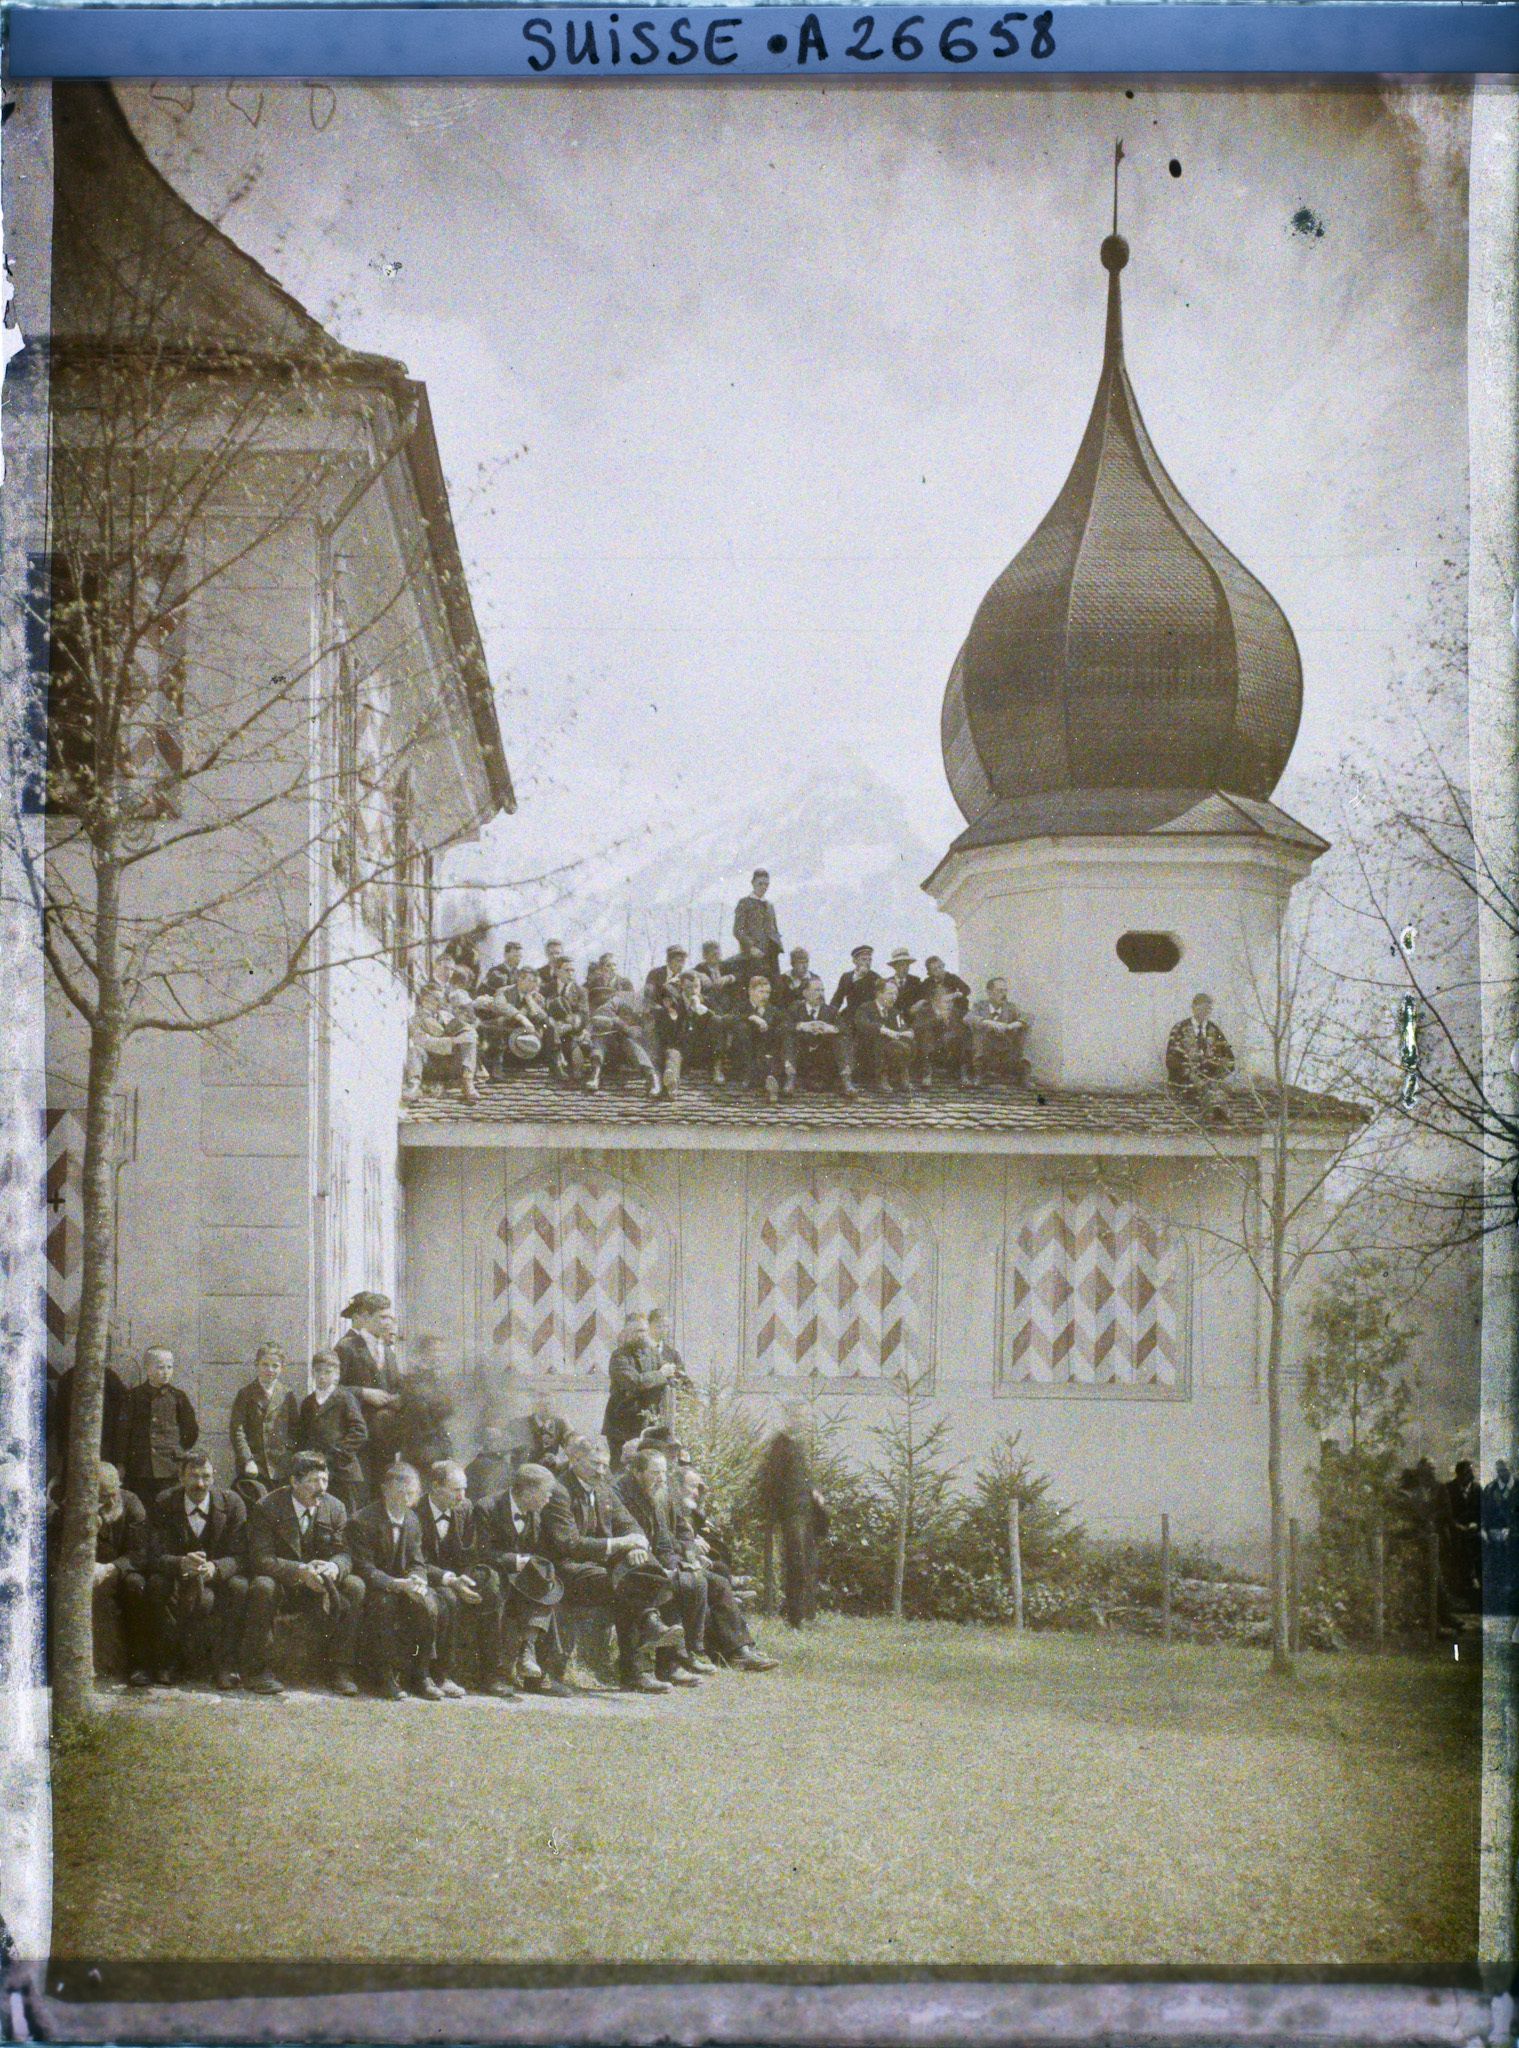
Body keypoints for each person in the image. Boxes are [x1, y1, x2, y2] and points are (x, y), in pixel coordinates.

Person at [540, 1434, 675, 1693]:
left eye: (604, 1464)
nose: (601, 1470)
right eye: (594, 1464)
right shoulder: (560, 1491)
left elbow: (630, 1524)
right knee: (627, 1586)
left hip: (601, 1567)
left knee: (636, 1574)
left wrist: (635, 1545)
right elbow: (569, 1544)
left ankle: (640, 1659)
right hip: (567, 1568)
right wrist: (619, 1545)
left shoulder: (603, 1488)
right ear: (574, 1459)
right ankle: (641, 1657)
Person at [243, 1450, 365, 1696]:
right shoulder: (267, 1507)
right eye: (312, 1481)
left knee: (354, 1585)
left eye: (324, 1480)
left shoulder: (336, 1507)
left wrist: (334, 1567)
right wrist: (300, 1571)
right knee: (262, 1586)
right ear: (294, 1482)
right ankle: (258, 1670)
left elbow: (345, 1552)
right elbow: (260, 1558)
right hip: (284, 1585)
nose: (321, 1488)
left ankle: (340, 1669)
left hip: (321, 1586)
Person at [146, 1450, 250, 1690]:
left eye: (206, 1476)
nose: (200, 1483)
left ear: (214, 1477)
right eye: (193, 1476)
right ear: (180, 1478)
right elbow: (153, 1554)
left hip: (216, 1578)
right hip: (178, 1576)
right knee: (155, 1584)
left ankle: (225, 1665)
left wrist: (216, 1567)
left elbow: (242, 1555)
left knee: (240, 1586)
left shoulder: (232, 1503)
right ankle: (168, 1661)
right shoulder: (165, 1502)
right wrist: (180, 1562)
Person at [348, 1461, 446, 1700]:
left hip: (404, 1584)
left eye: (411, 1493)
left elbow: (416, 1560)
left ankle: (421, 1674)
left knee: (429, 1602)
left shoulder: (412, 1520)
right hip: (376, 1586)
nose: (406, 1498)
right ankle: (383, 1675)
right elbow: (363, 1566)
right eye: (400, 1492)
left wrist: (417, 1580)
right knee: (384, 1606)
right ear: (385, 1490)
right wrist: (393, 1583)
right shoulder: (363, 1520)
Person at [615, 1443, 710, 1682]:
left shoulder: (661, 1494)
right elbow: (627, 1530)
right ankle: (647, 1668)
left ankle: (678, 1658)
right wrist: (664, 1569)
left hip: (653, 1559)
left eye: (664, 1472)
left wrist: (680, 1561)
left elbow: (667, 1539)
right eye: (655, 1473)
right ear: (637, 1473)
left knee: (691, 1580)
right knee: (663, 1584)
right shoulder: (620, 1492)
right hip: (627, 1559)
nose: (661, 1478)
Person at [417, 1460, 508, 1696]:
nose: (462, 1495)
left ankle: (490, 1674)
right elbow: (414, 1561)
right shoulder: (415, 1510)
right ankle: (438, 1674)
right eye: (456, 1489)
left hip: (455, 1575)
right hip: (424, 1576)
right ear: (435, 1486)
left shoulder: (464, 1508)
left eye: (464, 1488)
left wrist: (465, 1580)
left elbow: (470, 1553)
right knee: (446, 1597)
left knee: (490, 1584)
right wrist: (450, 1580)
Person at [674, 1464, 777, 1672]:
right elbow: (665, 1541)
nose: (696, 1492)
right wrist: (690, 1553)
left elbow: (690, 1533)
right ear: (675, 1486)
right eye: (692, 1487)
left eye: (698, 1488)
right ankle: (738, 1651)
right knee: (718, 1584)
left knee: (718, 1574)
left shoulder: (684, 1508)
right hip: (671, 1564)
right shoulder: (669, 1505)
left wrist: (693, 1551)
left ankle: (740, 1649)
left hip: (684, 1561)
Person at [480, 1462, 568, 1694]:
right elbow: (480, 1552)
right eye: (546, 1493)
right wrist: (514, 1561)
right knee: (498, 1594)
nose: (549, 1499)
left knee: (549, 1587)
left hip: (521, 1577)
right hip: (493, 1572)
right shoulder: (488, 1507)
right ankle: (494, 1675)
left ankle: (535, 1671)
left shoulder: (535, 1513)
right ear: (528, 1491)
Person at [64, 1461, 153, 1687]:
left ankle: (139, 1665)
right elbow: (63, 1550)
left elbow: (141, 1553)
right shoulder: (76, 1505)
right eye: (103, 1496)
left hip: (122, 1571)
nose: (111, 1501)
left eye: (113, 1493)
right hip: (87, 1573)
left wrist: (110, 1568)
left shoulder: (132, 1503)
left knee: (137, 1586)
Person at [757, 1404, 821, 1629]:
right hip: (791, 1515)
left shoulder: (798, 1445)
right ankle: (794, 1619)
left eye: (804, 1417)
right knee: (796, 1565)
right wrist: (774, 1514)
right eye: (798, 1417)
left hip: (806, 1513)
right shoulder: (780, 1445)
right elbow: (771, 1482)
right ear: (789, 1418)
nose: (802, 1422)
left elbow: (804, 1477)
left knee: (807, 1564)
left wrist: (814, 1491)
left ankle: (806, 1615)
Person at [335, 1291, 402, 1484]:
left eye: (390, 1317)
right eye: (382, 1317)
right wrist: (363, 1393)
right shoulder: (347, 1347)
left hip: (385, 1439)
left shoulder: (388, 1352)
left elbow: (395, 1385)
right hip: (359, 1440)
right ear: (366, 1317)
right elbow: (333, 1389)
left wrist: (398, 1397)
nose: (388, 1323)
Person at [120, 1347, 200, 1507]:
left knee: (168, 1507)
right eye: (160, 1367)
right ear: (148, 1369)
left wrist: (177, 1451)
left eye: (169, 1367)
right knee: (142, 1509)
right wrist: (121, 1462)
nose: (166, 1372)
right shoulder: (133, 1396)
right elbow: (122, 1432)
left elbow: (191, 1430)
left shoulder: (178, 1397)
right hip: (140, 1467)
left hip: (170, 1468)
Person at [602, 1310, 678, 1466]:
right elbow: (635, 1382)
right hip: (622, 1425)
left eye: (644, 1330)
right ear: (627, 1333)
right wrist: (661, 1374)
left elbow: (667, 1374)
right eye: (637, 1331)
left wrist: (669, 1375)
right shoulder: (619, 1357)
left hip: (647, 1424)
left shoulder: (652, 1353)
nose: (642, 1335)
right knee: (622, 1468)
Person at [297, 1351, 369, 1511]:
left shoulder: (344, 1398)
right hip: (317, 1472)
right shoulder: (308, 1403)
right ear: (313, 1373)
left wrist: (338, 1455)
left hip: (342, 1470)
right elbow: (303, 1435)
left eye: (327, 1372)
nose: (322, 1376)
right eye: (318, 1371)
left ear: (336, 1374)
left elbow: (359, 1431)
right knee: (318, 1511)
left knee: (345, 1513)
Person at [229, 1344, 300, 1499]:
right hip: (254, 1466)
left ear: (282, 1368)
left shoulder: (287, 1394)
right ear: (257, 1365)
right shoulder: (246, 1394)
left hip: (280, 1467)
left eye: (275, 1366)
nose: (270, 1370)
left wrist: (288, 1454)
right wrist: (247, 1460)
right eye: (265, 1365)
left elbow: (295, 1429)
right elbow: (237, 1430)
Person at [402, 974, 480, 1106]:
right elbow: (426, 1042)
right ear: (424, 999)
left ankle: (468, 1082)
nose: (439, 1002)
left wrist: (467, 1035)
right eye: (436, 998)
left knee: (469, 1038)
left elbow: (468, 1032)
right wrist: (454, 1040)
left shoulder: (446, 1016)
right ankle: (413, 1086)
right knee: (415, 1050)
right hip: (432, 1066)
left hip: (451, 1064)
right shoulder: (415, 1020)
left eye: (441, 998)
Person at [49, 1358, 129, 1484]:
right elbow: (60, 1420)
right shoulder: (68, 1379)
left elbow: (121, 1421)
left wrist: (120, 1460)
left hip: (105, 1449)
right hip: (73, 1449)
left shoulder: (110, 1379)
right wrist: (61, 1453)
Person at [586, 984, 662, 1099]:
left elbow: (651, 1043)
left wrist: (640, 1034)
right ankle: (595, 1074)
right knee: (600, 1039)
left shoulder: (654, 1015)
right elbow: (598, 1017)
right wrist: (624, 1026)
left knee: (630, 1043)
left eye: (650, 1004)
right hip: (609, 1051)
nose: (646, 1007)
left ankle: (652, 1078)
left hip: (632, 1057)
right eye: (645, 1001)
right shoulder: (617, 1002)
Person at [1166, 993, 1235, 1118]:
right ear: (1193, 1008)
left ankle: (1216, 1113)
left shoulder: (1215, 1030)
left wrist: (1215, 1078)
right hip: (1185, 1084)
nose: (1204, 1012)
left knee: (1218, 1101)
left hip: (1211, 1085)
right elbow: (1171, 1061)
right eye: (1201, 1008)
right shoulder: (1179, 1029)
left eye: (1208, 1009)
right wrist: (1191, 1076)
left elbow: (1230, 1060)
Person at [785, 976, 854, 1096]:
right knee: (789, 1037)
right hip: (802, 1056)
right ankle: (790, 1078)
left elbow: (846, 1030)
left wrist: (831, 1028)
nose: (821, 994)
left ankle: (846, 1080)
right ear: (805, 993)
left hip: (824, 1057)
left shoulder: (831, 1011)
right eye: (817, 990)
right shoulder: (794, 1009)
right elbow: (782, 1027)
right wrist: (801, 1026)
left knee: (840, 1038)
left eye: (822, 990)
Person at [391, 1358, 456, 1474]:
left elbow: (443, 1426)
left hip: (427, 1452)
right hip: (421, 1453)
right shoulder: (416, 1401)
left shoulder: (431, 1399)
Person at [852, 978, 915, 1095]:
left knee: (908, 1041)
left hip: (887, 1053)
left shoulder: (894, 1012)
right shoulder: (865, 1008)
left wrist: (908, 1032)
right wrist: (883, 1030)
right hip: (867, 1055)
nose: (894, 997)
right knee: (880, 1037)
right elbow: (862, 1024)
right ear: (879, 993)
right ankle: (882, 1077)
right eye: (890, 993)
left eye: (896, 994)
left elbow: (903, 1027)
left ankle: (903, 1074)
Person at [734, 974, 788, 1101]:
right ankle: (759, 1079)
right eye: (761, 992)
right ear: (750, 991)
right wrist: (752, 1017)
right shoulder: (741, 1007)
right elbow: (730, 1019)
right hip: (747, 1056)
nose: (765, 996)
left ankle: (772, 1086)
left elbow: (786, 1023)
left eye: (768, 992)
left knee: (771, 1061)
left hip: (766, 1053)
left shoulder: (774, 1011)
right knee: (742, 1027)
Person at [969, 978, 1029, 1085]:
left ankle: (1022, 1073)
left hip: (1005, 1048)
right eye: (1000, 991)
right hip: (985, 1049)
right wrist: (990, 1023)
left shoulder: (1011, 1007)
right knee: (977, 1029)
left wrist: (1010, 1026)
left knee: (1022, 1029)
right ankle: (979, 1074)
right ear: (989, 992)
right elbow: (968, 1017)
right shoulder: (980, 1006)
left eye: (1005, 990)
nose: (1004, 994)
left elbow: (1027, 1017)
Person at [910, 985, 973, 1088]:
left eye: (951, 1002)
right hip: (929, 1050)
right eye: (946, 1002)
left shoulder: (955, 1012)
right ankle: (927, 1073)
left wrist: (951, 1027)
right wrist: (937, 1019)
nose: (950, 1005)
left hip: (949, 1049)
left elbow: (962, 1030)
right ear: (935, 1002)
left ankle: (964, 1074)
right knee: (927, 1034)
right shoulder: (924, 1011)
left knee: (962, 1036)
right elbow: (916, 1029)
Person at [1443, 1459, 1482, 1612]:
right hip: (1455, 1530)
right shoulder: (1449, 1489)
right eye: (1469, 1472)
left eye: (1472, 1471)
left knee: (1480, 1543)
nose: (1472, 1474)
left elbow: (1483, 1511)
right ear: (1461, 1474)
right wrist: (1458, 1526)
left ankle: (1477, 1589)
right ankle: (1471, 1585)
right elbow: (1447, 1514)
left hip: (1474, 1529)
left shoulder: (1477, 1489)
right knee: (1461, 1547)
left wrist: (1476, 1524)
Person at [733, 869, 782, 982]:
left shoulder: (769, 905)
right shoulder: (744, 903)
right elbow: (738, 930)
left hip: (771, 953)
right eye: (760, 883)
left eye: (766, 884)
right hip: (753, 954)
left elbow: (774, 928)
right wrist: (751, 947)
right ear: (753, 883)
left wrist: (777, 944)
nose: (764, 887)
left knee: (775, 985)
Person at [1482, 1459, 1515, 1615]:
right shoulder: (1490, 1489)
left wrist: (1511, 1529)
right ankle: (1497, 1601)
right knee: (1495, 1557)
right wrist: (1487, 1530)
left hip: (1515, 1531)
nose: (1502, 1474)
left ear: (1512, 1470)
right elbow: (1486, 1515)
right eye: (1500, 1471)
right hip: (1495, 1532)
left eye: (1505, 1470)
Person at [466, 1421, 514, 1504]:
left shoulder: (475, 1464)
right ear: (488, 1443)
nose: (502, 1443)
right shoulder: (488, 1465)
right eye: (498, 1440)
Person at [830, 944, 883, 1019]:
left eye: (869, 960)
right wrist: (830, 1014)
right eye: (864, 959)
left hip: (868, 1018)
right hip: (850, 1016)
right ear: (855, 961)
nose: (867, 963)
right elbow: (838, 998)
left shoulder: (875, 978)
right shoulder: (846, 977)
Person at [888, 949, 926, 1015]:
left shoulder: (916, 981)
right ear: (894, 966)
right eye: (901, 965)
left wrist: (920, 1003)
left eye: (907, 965)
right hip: (894, 1019)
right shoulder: (888, 983)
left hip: (913, 1020)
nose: (905, 968)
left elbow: (923, 998)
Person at [775, 947, 814, 1012]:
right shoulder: (782, 980)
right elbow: (778, 1003)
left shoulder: (814, 979)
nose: (805, 966)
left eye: (806, 962)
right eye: (801, 963)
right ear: (793, 964)